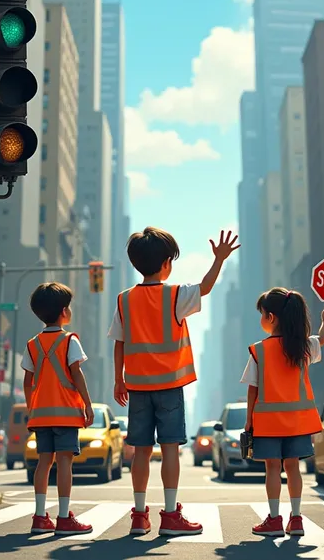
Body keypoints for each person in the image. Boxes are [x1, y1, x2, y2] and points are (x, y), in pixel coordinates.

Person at [109, 227, 240, 536]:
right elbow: (205, 287)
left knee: (140, 450)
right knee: (170, 449)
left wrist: (119, 379)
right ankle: (170, 515)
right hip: (169, 386)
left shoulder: (125, 299)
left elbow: (119, 342)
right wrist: (219, 259)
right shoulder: (176, 294)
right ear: (167, 263)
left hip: (138, 386)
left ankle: (139, 516)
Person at [241, 287, 324, 538]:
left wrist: (249, 422)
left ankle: (273, 520)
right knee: (293, 467)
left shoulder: (259, 351)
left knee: (273, 468)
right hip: (298, 422)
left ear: (271, 318)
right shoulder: (302, 347)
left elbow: (253, 390)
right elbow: (321, 339)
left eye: (262, 314)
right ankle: (296, 518)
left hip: (269, 423)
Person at [22, 282, 94, 536]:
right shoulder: (69, 339)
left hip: (40, 416)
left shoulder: (32, 343)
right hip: (65, 413)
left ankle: (40, 517)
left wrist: (33, 407)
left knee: (43, 463)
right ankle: (64, 517)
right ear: (64, 311)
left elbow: (27, 380)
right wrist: (87, 403)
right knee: (65, 463)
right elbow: (77, 373)